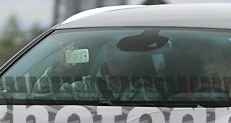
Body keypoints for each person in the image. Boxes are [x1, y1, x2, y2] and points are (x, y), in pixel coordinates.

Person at [32, 43, 160, 102]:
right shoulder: (87, 87)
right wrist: (59, 69)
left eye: (119, 52)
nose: (112, 57)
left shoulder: (153, 92)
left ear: (134, 58)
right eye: (110, 50)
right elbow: (39, 97)